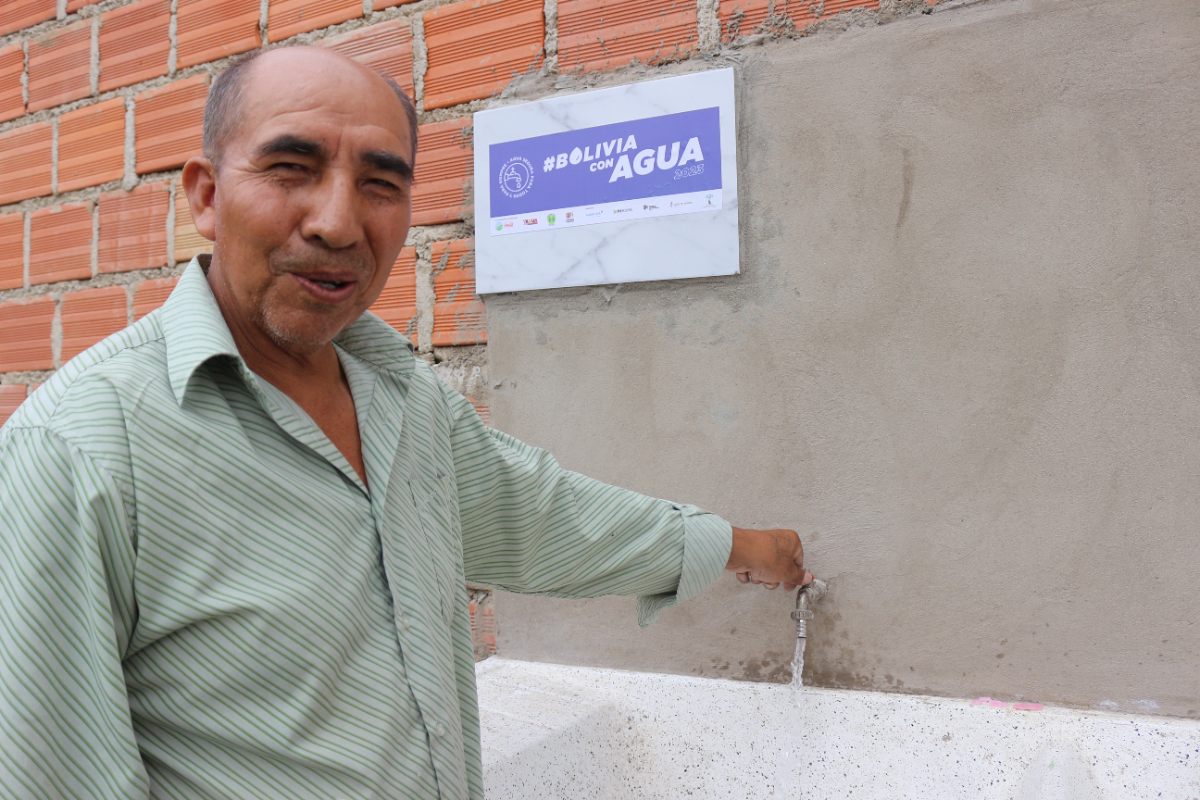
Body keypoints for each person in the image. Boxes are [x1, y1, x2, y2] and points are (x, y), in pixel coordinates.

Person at [0, 47, 812, 800]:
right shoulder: (78, 450)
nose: (338, 223)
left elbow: (548, 514)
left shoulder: (402, 404)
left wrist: (743, 545)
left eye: (381, 184)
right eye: (291, 168)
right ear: (206, 196)